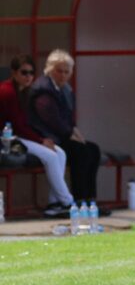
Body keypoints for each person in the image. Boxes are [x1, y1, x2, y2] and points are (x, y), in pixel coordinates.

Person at [0, 55, 74, 217]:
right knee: (51, 156)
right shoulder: (7, 92)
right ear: (13, 73)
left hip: (17, 136)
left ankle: (54, 203)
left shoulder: (25, 92)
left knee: (60, 153)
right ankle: (68, 201)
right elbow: (18, 125)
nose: (28, 77)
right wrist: (41, 140)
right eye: (24, 72)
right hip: (6, 140)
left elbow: (26, 124)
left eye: (31, 73)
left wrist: (42, 140)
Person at [27, 50, 102, 204]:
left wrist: (78, 135)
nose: (63, 75)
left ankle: (90, 198)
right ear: (50, 70)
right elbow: (53, 121)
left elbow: (69, 120)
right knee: (80, 152)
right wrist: (72, 135)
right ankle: (80, 198)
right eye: (59, 71)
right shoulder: (43, 89)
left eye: (66, 72)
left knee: (93, 149)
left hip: (62, 136)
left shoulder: (65, 89)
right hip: (47, 138)